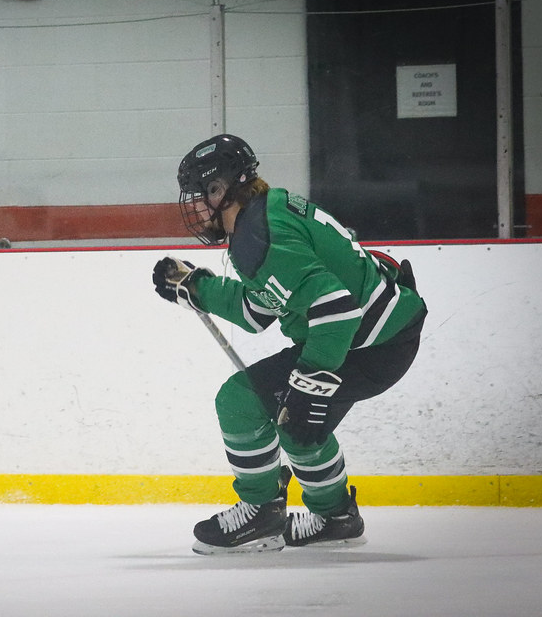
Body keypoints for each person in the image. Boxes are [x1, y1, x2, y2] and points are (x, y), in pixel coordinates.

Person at [152, 134, 426, 553]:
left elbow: (336, 308)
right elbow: (258, 310)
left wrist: (308, 385)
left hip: (366, 343)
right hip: (380, 336)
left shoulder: (258, 237)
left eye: (200, 194)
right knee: (297, 424)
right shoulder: (268, 212)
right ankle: (335, 518)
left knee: (241, 400)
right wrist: (199, 288)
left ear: (220, 189)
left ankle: (261, 510)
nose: (195, 207)